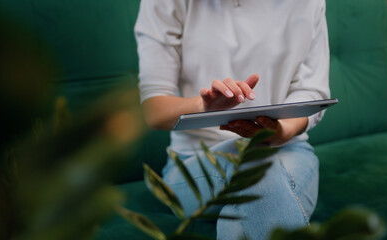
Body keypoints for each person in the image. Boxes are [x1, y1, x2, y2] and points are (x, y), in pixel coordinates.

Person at [135, 0, 330, 239]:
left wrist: (281, 131)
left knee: (241, 218)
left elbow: (312, 90)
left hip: (287, 151)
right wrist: (205, 106)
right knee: (253, 161)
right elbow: (154, 111)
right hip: (193, 163)